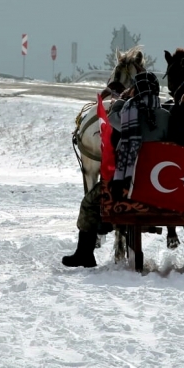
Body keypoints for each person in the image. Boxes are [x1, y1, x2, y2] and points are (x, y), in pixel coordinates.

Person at [62, 71, 170, 268]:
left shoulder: (125, 114)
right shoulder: (166, 117)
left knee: (88, 202)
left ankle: (84, 253)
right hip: (161, 188)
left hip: (126, 188)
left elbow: (110, 117)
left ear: (135, 90)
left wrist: (123, 99)